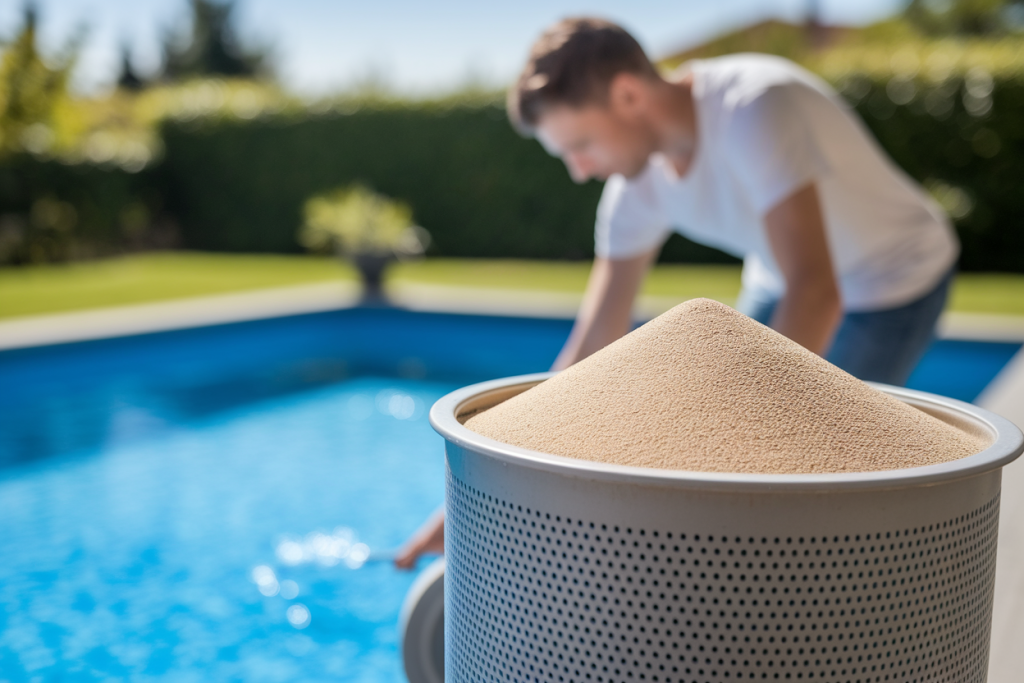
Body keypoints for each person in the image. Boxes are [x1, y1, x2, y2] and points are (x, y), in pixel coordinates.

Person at [393, 17, 959, 569]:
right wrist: (473, 495)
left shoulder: (754, 106)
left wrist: (743, 444)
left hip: (895, 279)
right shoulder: (635, 188)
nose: (579, 171)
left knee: (817, 464)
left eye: (582, 143)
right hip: (776, 280)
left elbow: (817, 290)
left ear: (628, 94)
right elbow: (590, 346)